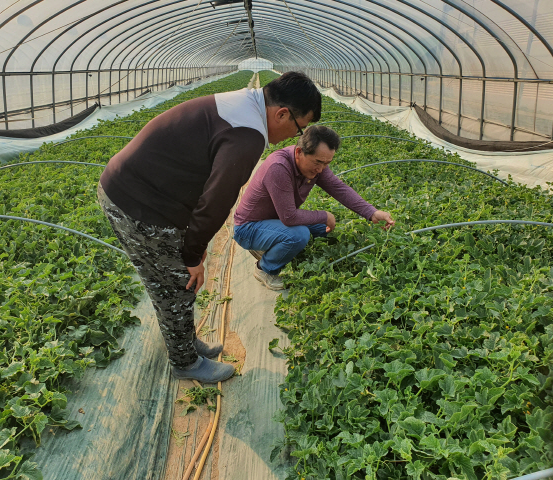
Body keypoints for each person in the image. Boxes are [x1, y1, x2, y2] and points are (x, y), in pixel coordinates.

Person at [97, 72, 322, 383]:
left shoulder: (244, 104)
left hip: (135, 189)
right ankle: (185, 362)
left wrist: (192, 251)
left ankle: (186, 343)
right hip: (139, 202)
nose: (296, 136)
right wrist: (193, 255)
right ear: (282, 113)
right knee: (177, 284)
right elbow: (215, 202)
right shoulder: (248, 133)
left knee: (173, 280)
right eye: (299, 128)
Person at [233, 125, 395, 290]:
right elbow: (289, 217)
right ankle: (265, 268)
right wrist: (324, 215)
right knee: (299, 235)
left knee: (320, 228)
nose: (321, 169)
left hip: (273, 219)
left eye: (326, 163)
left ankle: (274, 245)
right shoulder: (279, 168)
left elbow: (338, 188)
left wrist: (372, 212)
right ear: (299, 153)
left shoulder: (318, 166)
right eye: (317, 162)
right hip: (248, 228)